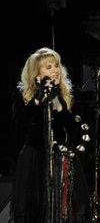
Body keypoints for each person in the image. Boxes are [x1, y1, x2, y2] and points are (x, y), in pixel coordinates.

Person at [11, 47, 90, 222]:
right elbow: (20, 122)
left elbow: (74, 128)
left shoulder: (69, 93)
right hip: (35, 157)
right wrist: (37, 99)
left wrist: (58, 103)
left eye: (56, 66)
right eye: (48, 67)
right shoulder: (23, 94)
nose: (55, 70)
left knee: (70, 206)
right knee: (35, 205)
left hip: (62, 156)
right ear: (36, 73)